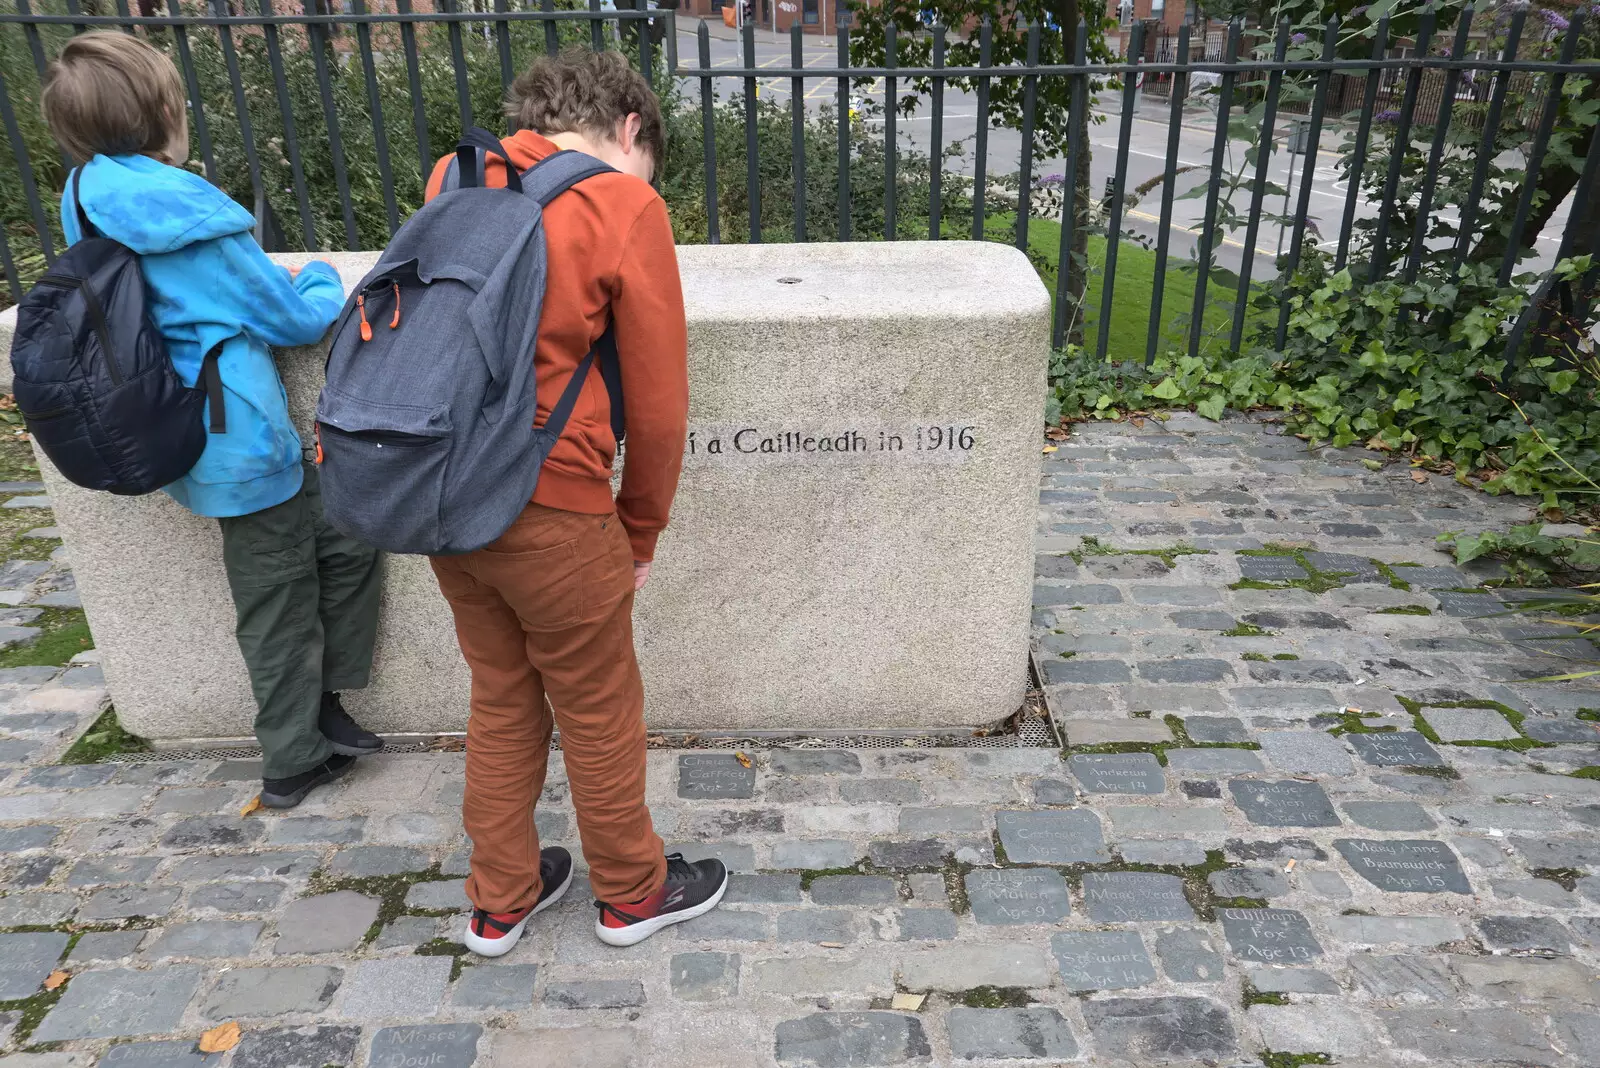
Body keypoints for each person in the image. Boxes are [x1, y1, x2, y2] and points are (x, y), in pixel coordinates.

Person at [421, 48, 722, 956]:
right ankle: (632, 892)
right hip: (554, 505)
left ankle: (500, 900)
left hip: (443, 495)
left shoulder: (457, 172)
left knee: (502, 697)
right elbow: (661, 410)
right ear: (631, 127)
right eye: (647, 154)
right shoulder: (625, 202)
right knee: (596, 703)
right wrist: (641, 529)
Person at [39, 32, 384, 809]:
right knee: (275, 596)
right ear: (166, 110)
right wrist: (326, 275)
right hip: (237, 434)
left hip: (171, 417)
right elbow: (289, 317)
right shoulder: (188, 213)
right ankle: (293, 758)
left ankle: (322, 706)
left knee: (346, 538)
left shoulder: (89, 193)